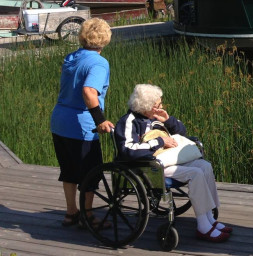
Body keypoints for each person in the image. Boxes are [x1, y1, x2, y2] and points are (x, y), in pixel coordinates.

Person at [116, 84, 231, 242]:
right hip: (149, 167)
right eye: (157, 105)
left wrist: (168, 120)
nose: (160, 107)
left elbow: (182, 133)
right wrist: (159, 141)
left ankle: (210, 218)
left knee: (205, 166)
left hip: (169, 160)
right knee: (195, 173)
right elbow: (128, 150)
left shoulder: (156, 117)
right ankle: (203, 226)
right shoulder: (129, 121)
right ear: (145, 106)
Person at [50, 18, 114, 229]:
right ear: (105, 38)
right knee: (90, 173)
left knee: (68, 170)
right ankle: (88, 216)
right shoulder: (98, 62)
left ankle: (71, 214)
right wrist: (101, 119)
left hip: (60, 122)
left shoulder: (72, 57)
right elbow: (89, 91)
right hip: (81, 125)